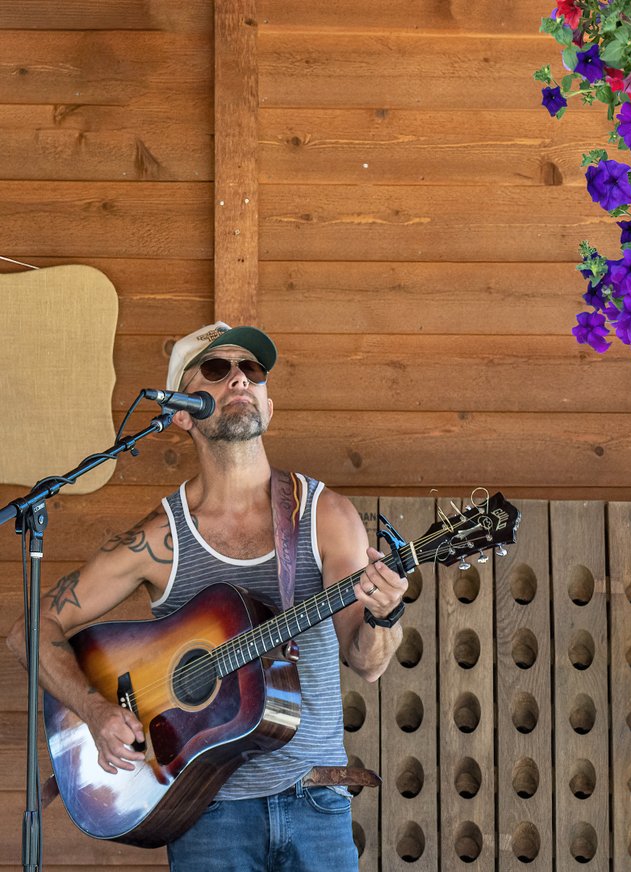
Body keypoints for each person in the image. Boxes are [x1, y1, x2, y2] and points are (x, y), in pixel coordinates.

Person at [8, 322, 408, 871]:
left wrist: (387, 614)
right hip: (206, 812)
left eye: (254, 370)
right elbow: (31, 629)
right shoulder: (158, 540)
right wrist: (96, 709)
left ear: (268, 405)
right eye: (217, 370)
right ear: (180, 411)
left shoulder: (325, 517)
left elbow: (367, 663)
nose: (240, 378)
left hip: (317, 799)